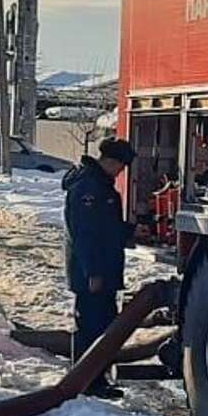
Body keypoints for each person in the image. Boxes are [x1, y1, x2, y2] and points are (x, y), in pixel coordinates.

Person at [62, 136, 137, 396]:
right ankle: (85, 382)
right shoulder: (88, 189)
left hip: (104, 269)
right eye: (120, 166)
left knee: (104, 324)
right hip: (93, 272)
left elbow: (107, 227)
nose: (121, 172)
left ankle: (96, 378)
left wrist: (130, 232)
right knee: (91, 326)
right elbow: (84, 234)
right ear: (109, 161)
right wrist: (92, 271)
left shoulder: (100, 186)